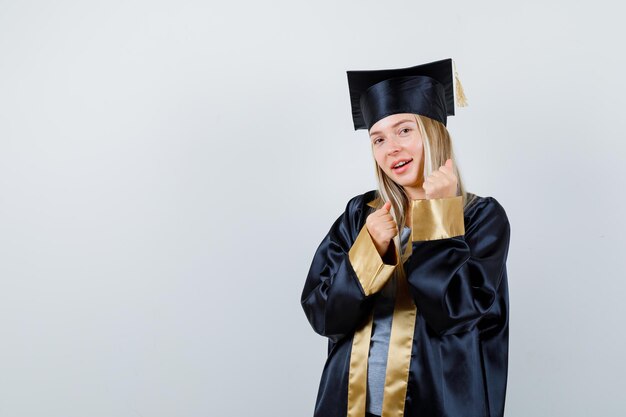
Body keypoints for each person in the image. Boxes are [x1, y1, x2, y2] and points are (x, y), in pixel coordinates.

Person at [300, 58, 511, 417]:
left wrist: (437, 217)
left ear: (434, 132)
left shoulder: (479, 217)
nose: (391, 148)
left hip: (439, 406)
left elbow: (454, 314)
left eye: (404, 131)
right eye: (378, 139)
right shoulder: (360, 216)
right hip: (351, 404)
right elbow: (323, 317)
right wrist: (369, 251)